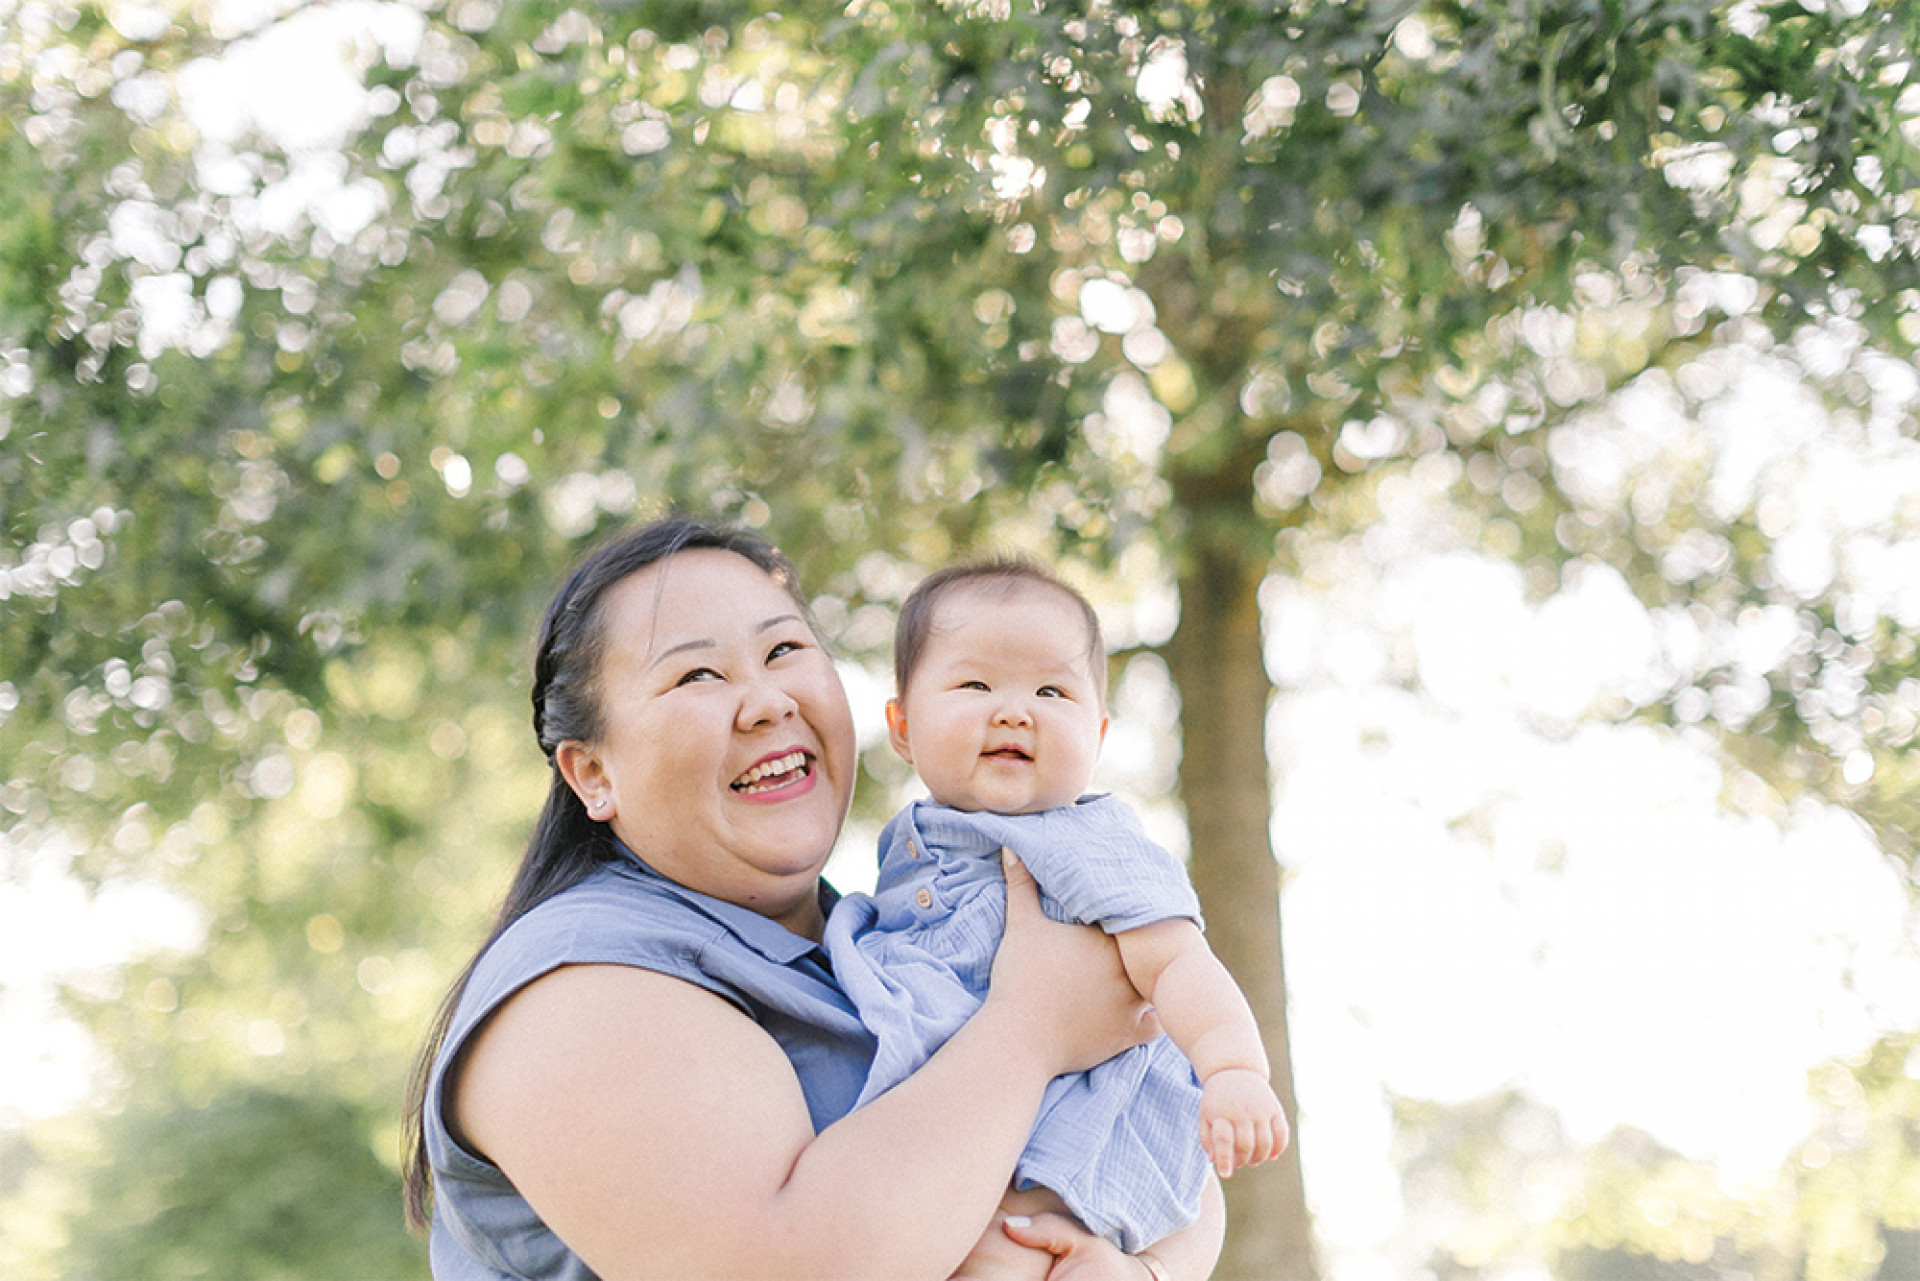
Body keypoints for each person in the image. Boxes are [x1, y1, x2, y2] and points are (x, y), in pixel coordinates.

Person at [400, 516, 1226, 1281]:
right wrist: (1034, 1029)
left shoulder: (885, 935)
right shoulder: (572, 989)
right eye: (697, 672)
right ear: (593, 771)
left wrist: (1145, 1270)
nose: (767, 700)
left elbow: (1166, 1129)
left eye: (786, 649)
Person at [825, 557, 1289, 1254]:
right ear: (902, 725)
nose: (1015, 709)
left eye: (1050, 689)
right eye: (975, 683)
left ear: (1098, 737)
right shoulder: (906, 848)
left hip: (1066, 1147)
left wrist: (1233, 1069)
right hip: (950, 1137)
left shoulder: (1090, 841)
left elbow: (1176, 961)